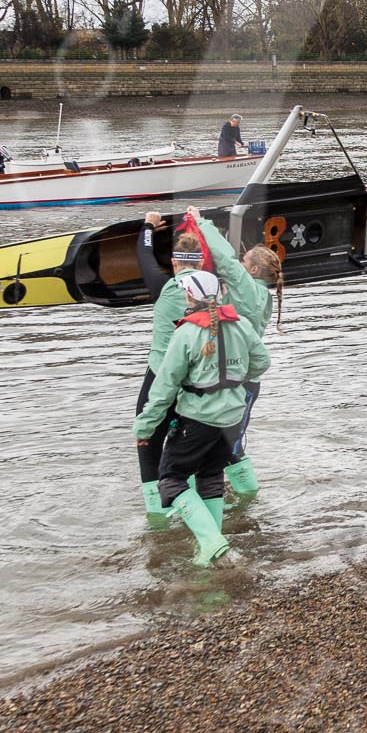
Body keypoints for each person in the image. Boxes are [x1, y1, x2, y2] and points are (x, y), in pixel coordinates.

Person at [133, 268, 269, 565]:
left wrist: (144, 426)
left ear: (189, 296)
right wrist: (235, 382)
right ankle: (209, 552)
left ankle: (212, 543)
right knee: (210, 478)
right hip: (231, 419)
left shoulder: (185, 332)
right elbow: (262, 362)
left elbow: (164, 386)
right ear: (220, 293)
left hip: (197, 421)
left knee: (171, 480)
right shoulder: (241, 324)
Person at [180, 208, 279, 497]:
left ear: (252, 270)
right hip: (247, 381)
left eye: (244, 260)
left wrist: (201, 221)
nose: (239, 261)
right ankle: (244, 499)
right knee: (232, 443)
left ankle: (246, 498)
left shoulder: (247, 288)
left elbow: (224, 256)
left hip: (237, 380)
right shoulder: (264, 294)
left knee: (229, 446)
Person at [132, 218, 205, 520]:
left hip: (159, 381)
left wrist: (147, 227)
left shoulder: (163, 287)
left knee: (148, 450)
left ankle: (158, 525)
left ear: (174, 263)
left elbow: (144, 256)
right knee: (181, 456)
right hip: (195, 385)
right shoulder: (212, 293)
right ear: (201, 263)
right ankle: (193, 514)